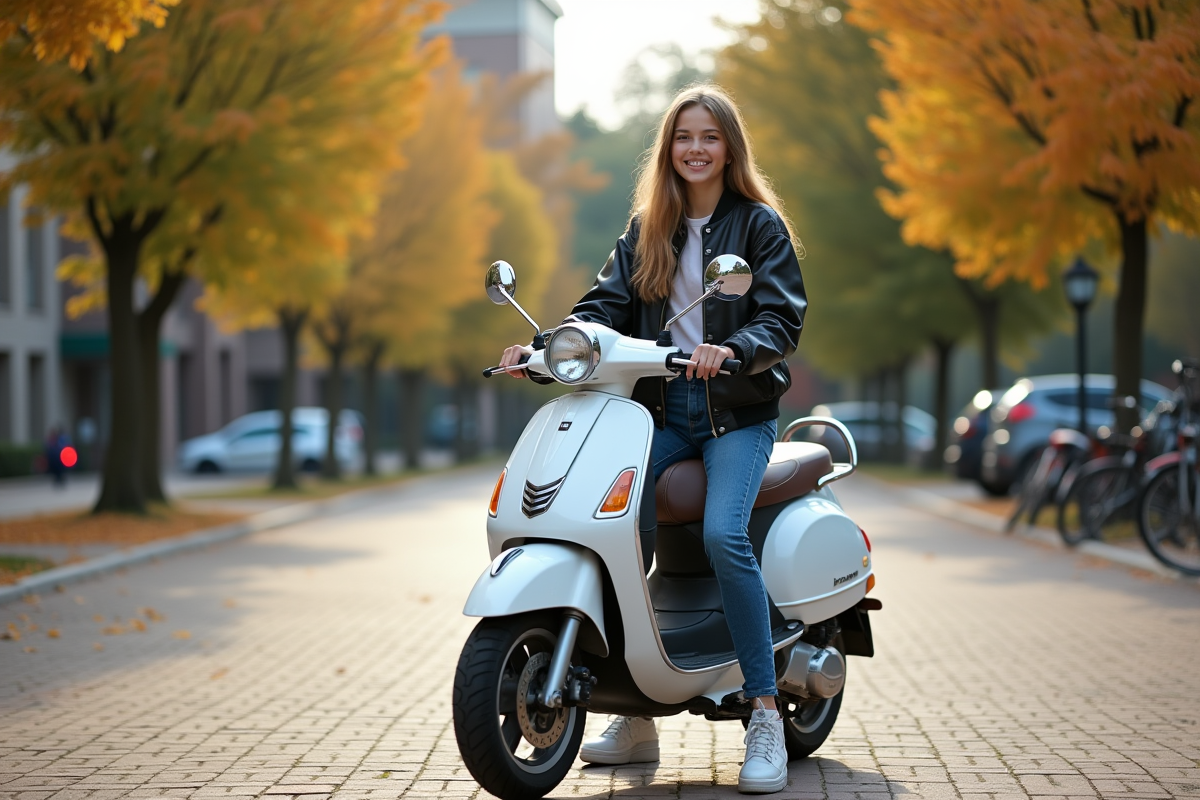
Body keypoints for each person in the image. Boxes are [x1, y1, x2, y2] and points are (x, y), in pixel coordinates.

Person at [498, 84, 806, 794]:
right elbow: (601, 309)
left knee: (724, 534)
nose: (696, 149)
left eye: (709, 137)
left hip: (735, 414)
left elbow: (782, 317)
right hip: (661, 415)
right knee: (605, 521)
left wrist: (734, 349)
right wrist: (544, 349)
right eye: (683, 137)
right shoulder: (648, 228)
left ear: (729, 148)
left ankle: (763, 711)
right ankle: (635, 713)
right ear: (668, 148)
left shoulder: (759, 225)